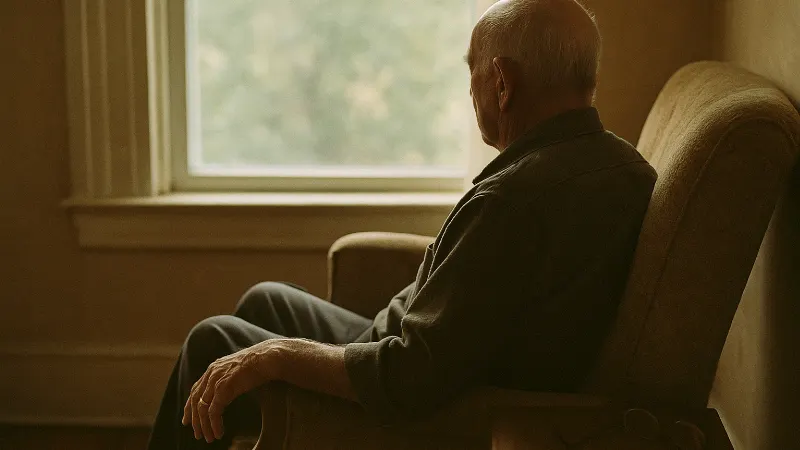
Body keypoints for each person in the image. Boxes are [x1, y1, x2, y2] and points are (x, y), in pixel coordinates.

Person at [148, 0, 657, 448]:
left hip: (418, 392)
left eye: (473, 71)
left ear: (502, 82)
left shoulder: (513, 201)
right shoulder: (626, 167)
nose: (472, 87)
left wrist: (281, 356)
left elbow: (409, 376)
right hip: (418, 345)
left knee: (212, 342)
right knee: (266, 300)